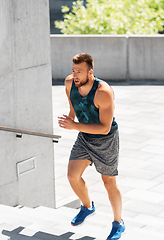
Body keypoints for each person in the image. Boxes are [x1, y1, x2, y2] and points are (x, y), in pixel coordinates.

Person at [58, 53, 125, 240]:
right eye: (73, 71)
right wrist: (70, 119)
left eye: (79, 71)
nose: (75, 75)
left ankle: (118, 223)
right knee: (72, 175)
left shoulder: (103, 92)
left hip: (106, 140)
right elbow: (73, 107)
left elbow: (104, 128)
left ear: (90, 72)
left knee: (108, 183)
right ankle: (87, 206)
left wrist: (75, 126)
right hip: (85, 136)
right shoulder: (70, 83)